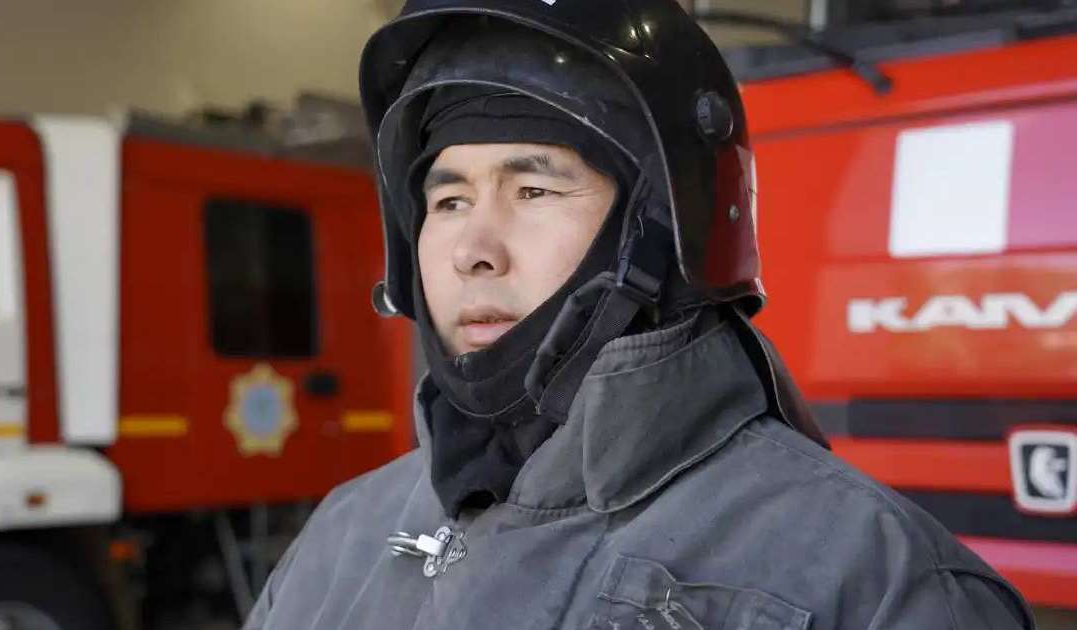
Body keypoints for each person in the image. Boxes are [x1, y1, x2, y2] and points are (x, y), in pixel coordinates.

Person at [245, 1, 1033, 628]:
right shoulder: (344, 535)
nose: (471, 250)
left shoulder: (876, 580)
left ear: (661, 228)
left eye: (534, 191)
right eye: (448, 200)